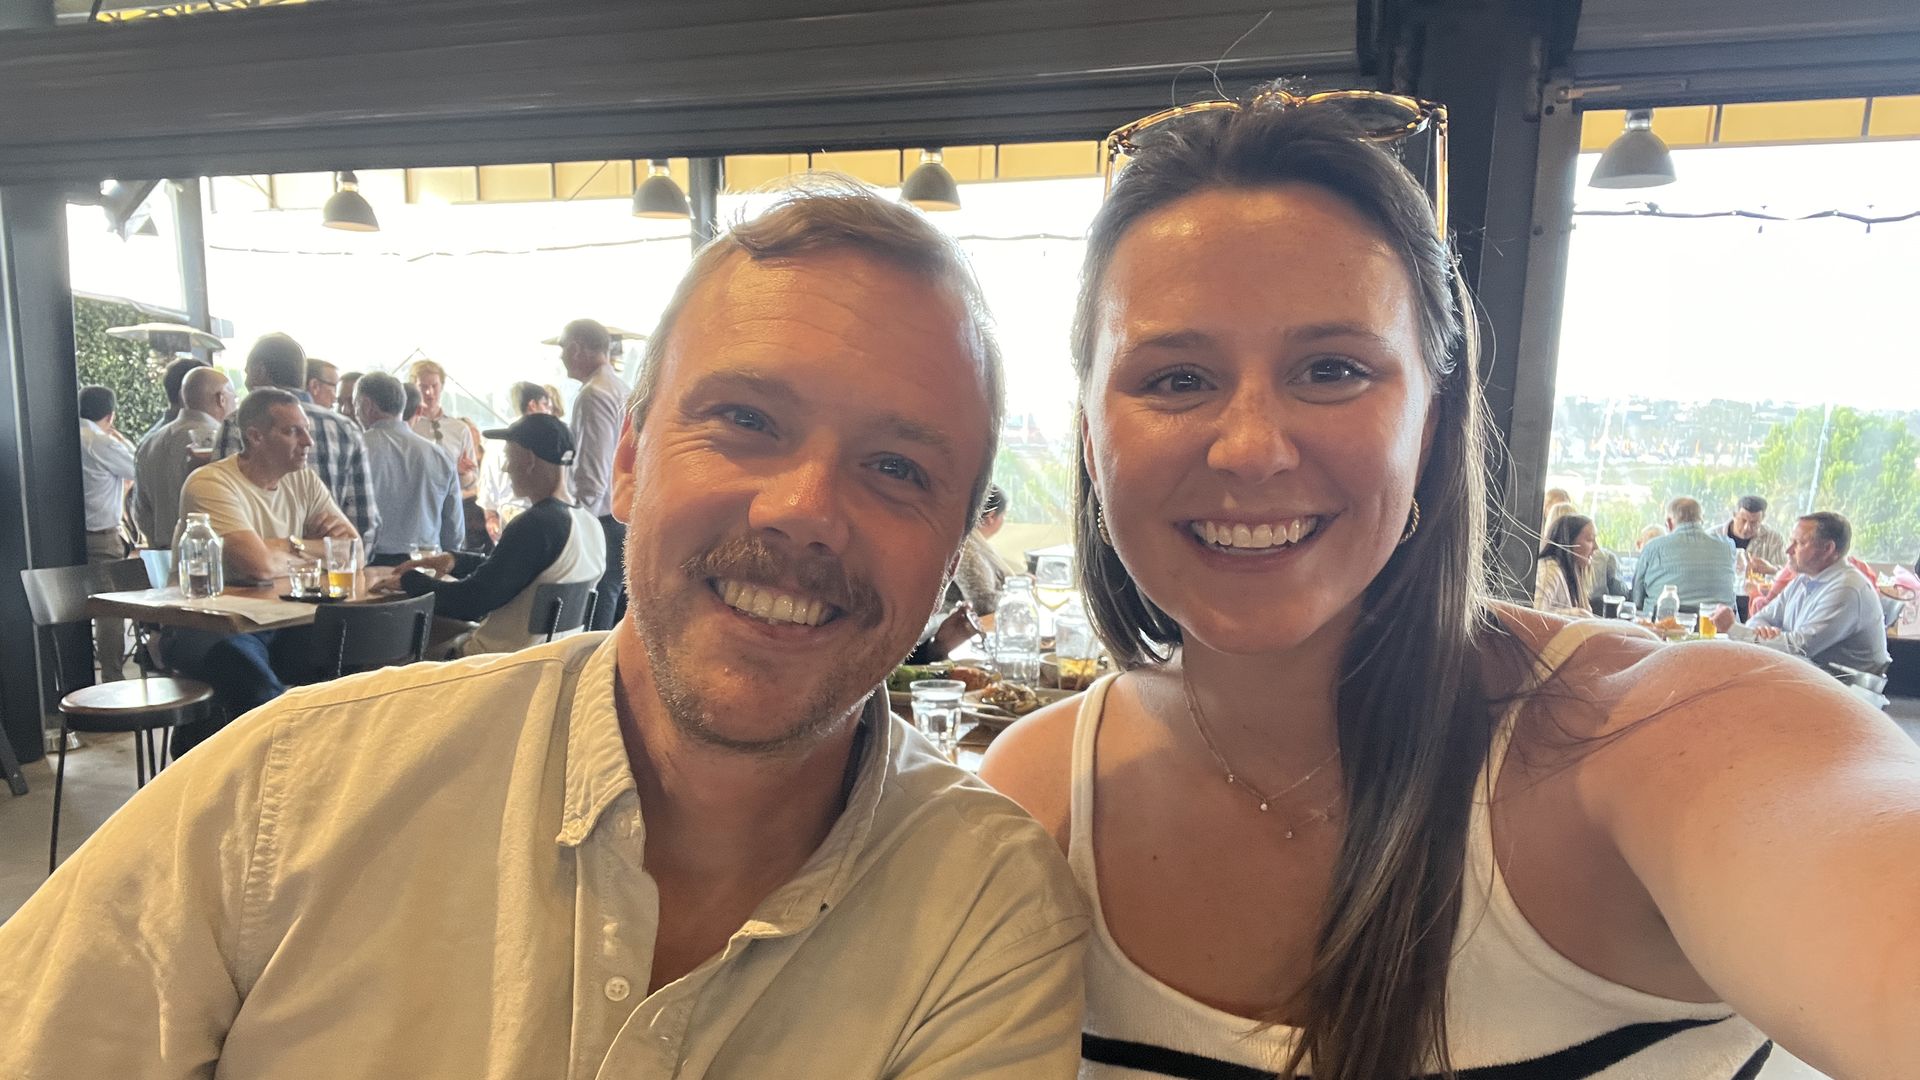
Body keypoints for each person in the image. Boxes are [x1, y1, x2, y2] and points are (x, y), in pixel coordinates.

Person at [0, 184, 1087, 1077]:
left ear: (956, 544)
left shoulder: (982, 908)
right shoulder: (284, 799)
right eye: (746, 420)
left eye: (899, 468)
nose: (804, 508)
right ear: (626, 460)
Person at [979, 93, 1920, 1079]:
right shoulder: (1036, 800)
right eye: (1175, 379)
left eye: (1333, 369)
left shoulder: (1671, 738)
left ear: (1431, 421)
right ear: (1090, 436)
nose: (1251, 447)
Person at [393, 413, 603, 655]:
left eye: (508, 457)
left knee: (394, 649)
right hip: (552, 662)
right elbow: (513, 569)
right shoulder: (590, 526)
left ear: (529, 459)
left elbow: (470, 601)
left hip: (496, 667)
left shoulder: (536, 525)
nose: (505, 467)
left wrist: (409, 581)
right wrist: (455, 560)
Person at [213, 332, 379, 544]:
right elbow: (364, 524)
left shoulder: (238, 423)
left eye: (247, 373)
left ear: (259, 371)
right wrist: (342, 559)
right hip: (333, 568)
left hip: (264, 570)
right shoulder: (346, 428)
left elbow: (226, 520)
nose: (306, 441)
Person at [1712, 511, 1891, 674]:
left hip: (1841, 692)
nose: (1788, 550)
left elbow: (1799, 648)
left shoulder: (1847, 590)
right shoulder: (1804, 578)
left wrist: (1733, 629)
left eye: (1799, 543)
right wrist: (1762, 631)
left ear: (1828, 549)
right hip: (1809, 677)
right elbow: (1762, 617)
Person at [561, 317, 632, 630]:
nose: (560, 356)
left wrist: (578, 524)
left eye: (563, 348)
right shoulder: (620, 388)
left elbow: (593, 470)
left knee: (596, 609)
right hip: (620, 516)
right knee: (613, 603)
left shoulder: (594, 394)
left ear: (576, 348)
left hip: (601, 520)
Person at [353, 372, 462, 565]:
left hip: (370, 562)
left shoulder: (355, 449)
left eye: (355, 404)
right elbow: (453, 528)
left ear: (367, 405)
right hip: (426, 562)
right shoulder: (439, 455)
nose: (354, 412)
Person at [133, 365, 233, 547]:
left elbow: (140, 509)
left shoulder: (150, 440)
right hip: (206, 554)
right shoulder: (219, 442)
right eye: (234, 397)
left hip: (161, 552)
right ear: (221, 399)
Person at [78, 385, 137, 681]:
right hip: (102, 537)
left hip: (68, 538)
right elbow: (137, 467)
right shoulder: (99, 442)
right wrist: (118, 437)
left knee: (69, 606)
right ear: (110, 414)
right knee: (109, 608)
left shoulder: (64, 435)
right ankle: (113, 678)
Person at [407, 358, 488, 550]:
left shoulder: (460, 429)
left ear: (442, 386)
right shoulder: (409, 426)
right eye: (423, 386)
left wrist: (463, 474)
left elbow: (472, 480)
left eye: (434, 386)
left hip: (454, 511)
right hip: (419, 512)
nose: (429, 392)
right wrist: (452, 469)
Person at [1627, 495, 1735, 614]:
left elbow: (1636, 598)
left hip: (1662, 626)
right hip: (1715, 627)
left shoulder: (1652, 548)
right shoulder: (1727, 546)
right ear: (1701, 520)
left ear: (1669, 523)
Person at [476, 379, 553, 540]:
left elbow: (486, 492)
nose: (549, 412)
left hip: (506, 522)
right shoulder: (545, 440)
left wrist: (491, 518)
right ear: (533, 405)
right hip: (539, 521)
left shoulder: (493, 444)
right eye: (546, 405)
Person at [1534, 513, 1596, 618]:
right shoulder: (1549, 570)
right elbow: (1535, 611)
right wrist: (1575, 614)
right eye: (1590, 540)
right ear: (1569, 541)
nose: (1596, 547)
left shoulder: (1574, 572)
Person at [1714, 493, 1787, 576]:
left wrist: (1772, 569)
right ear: (1734, 515)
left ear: (1762, 519)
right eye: (1743, 520)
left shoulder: (1773, 539)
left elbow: (1787, 573)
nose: (1747, 528)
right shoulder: (1712, 536)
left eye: (1754, 523)